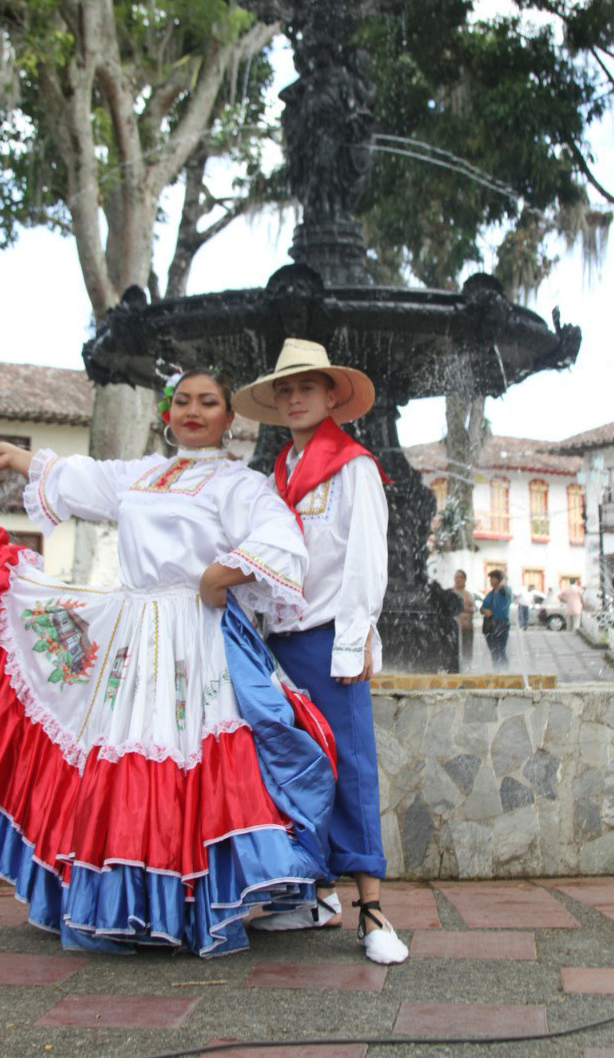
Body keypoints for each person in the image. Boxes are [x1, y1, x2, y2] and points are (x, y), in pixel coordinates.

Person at [0, 369, 337, 958]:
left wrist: (221, 573)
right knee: (126, 753)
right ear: (168, 414)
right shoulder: (142, 474)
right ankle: (125, 904)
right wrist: (17, 458)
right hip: (135, 632)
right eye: (183, 401)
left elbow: (281, 539)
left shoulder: (236, 484)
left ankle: (192, 905)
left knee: (187, 753)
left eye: (208, 402)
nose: (193, 411)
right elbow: (81, 477)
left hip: (197, 637)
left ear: (228, 419)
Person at [232, 338, 409, 966]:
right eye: (285, 389)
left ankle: (373, 910)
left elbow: (367, 558)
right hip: (278, 643)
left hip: (331, 637)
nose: (295, 396)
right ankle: (314, 896)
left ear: (333, 394)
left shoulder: (354, 465)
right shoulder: (273, 474)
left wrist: (355, 640)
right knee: (294, 767)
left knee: (353, 766)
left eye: (307, 386)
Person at [481, 569, 512, 668]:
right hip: (489, 625)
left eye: (493, 579)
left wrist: (503, 578)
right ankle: (496, 670)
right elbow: (482, 607)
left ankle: (504, 671)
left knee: (500, 650)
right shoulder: (490, 594)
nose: (490, 581)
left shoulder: (505, 592)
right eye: (490, 579)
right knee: (493, 651)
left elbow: (504, 584)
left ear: (498, 580)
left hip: (500, 624)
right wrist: (484, 611)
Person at [453, 569, 475, 670]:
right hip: (454, 629)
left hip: (467, 628)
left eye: (460, 577)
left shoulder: (469, 594)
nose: (458, 579)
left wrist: (469, 609)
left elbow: (474, 608)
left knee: (467, 651)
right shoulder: (451, 593)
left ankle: (467, 669)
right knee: (454, 650)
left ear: (465, 579)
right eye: (456, 577)